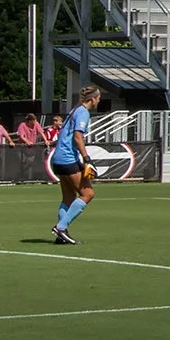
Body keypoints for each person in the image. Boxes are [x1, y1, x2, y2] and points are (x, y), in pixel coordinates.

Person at [47, 86, 105, 243]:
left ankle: (61, 236)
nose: (99, 100)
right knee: (88, 194)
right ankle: (61, 227)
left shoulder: (75, 109)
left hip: (58, 159)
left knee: (68, 197)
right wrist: (86, 159)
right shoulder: (83, 112)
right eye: (98, 98)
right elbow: (78, 137)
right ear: (93, 99)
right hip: (67, 158)